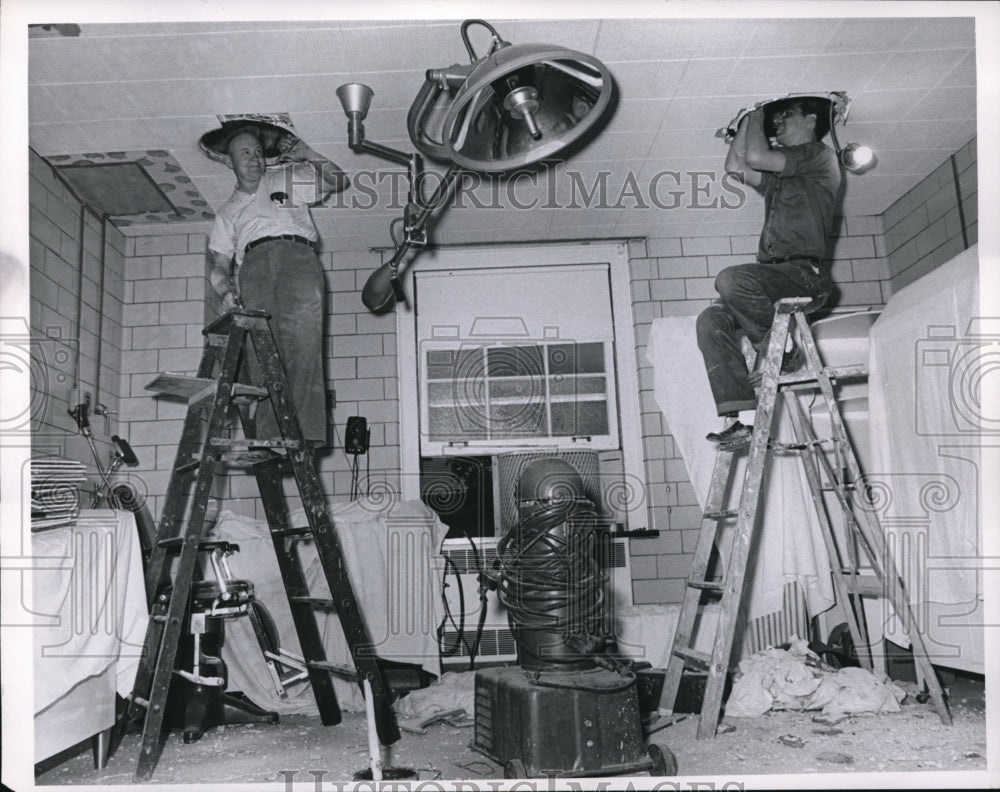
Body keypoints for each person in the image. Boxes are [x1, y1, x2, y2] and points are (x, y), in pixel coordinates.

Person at [696, 98, 842, 446]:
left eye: (785, 117)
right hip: (773, 279)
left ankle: (786, 355)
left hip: (805, 275)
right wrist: (748, 115)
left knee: (731, 278)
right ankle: (742, 419)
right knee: (710, 320)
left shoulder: (819, 156)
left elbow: (758, 156)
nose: (778, 123)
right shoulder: (782, 178)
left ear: (811, 119)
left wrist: (759, 111)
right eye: (774, 119)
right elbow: (736, 165)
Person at [206, 125, 349, 453]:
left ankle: (306, 436)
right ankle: (272, 436)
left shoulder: (286, 177)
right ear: (230, 162)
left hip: (298, 257)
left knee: (304, 342)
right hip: (254, 266)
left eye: (257, 152)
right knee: (263, 351)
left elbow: (338, 180)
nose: (254, 158)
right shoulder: (227, 212)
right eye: (245, 153)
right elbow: (218, 263)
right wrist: (224, 291)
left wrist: (308, 154)